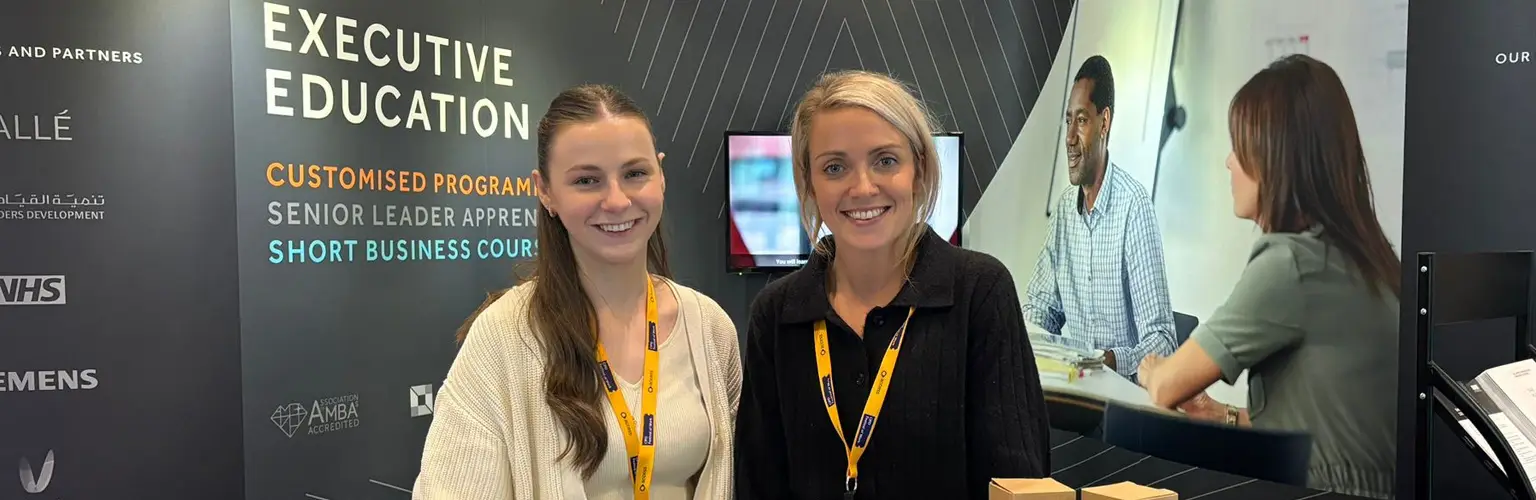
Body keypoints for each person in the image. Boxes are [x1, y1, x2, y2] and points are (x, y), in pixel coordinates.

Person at [412, 84, 742, 500]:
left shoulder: (710, 328)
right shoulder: (503, 339)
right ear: (545, 191)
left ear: (661, 176)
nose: (618, 201)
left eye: (635, 173)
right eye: (587, 180)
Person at [735, 70, 1051, 499]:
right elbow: (759, 484)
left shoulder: (980, 292)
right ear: (808, 183)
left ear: (919, 170)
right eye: (834, 167)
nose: (862, 187)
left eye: (885, 160)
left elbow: (1018, 484)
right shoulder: (776, 314)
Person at [1136, 54, 1400, 500]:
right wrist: (1222, 414)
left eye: (1240, 147)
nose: (1228, 163)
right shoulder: (1366, 259)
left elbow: (1166, 387)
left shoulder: (1291, 265)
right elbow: (1323, 422)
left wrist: (1151, 369)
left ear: (1276, 157)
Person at [1023, 55, 1176, 379]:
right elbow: (1040, 311)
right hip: (1078, 392)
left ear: (1104, 123)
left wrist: (1109, 361)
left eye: (1081, 120)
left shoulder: (1134, 209)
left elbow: (1163, 343)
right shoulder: (1065, 212)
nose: (1069, 138)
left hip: (1124, 406)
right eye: (1068, 121)